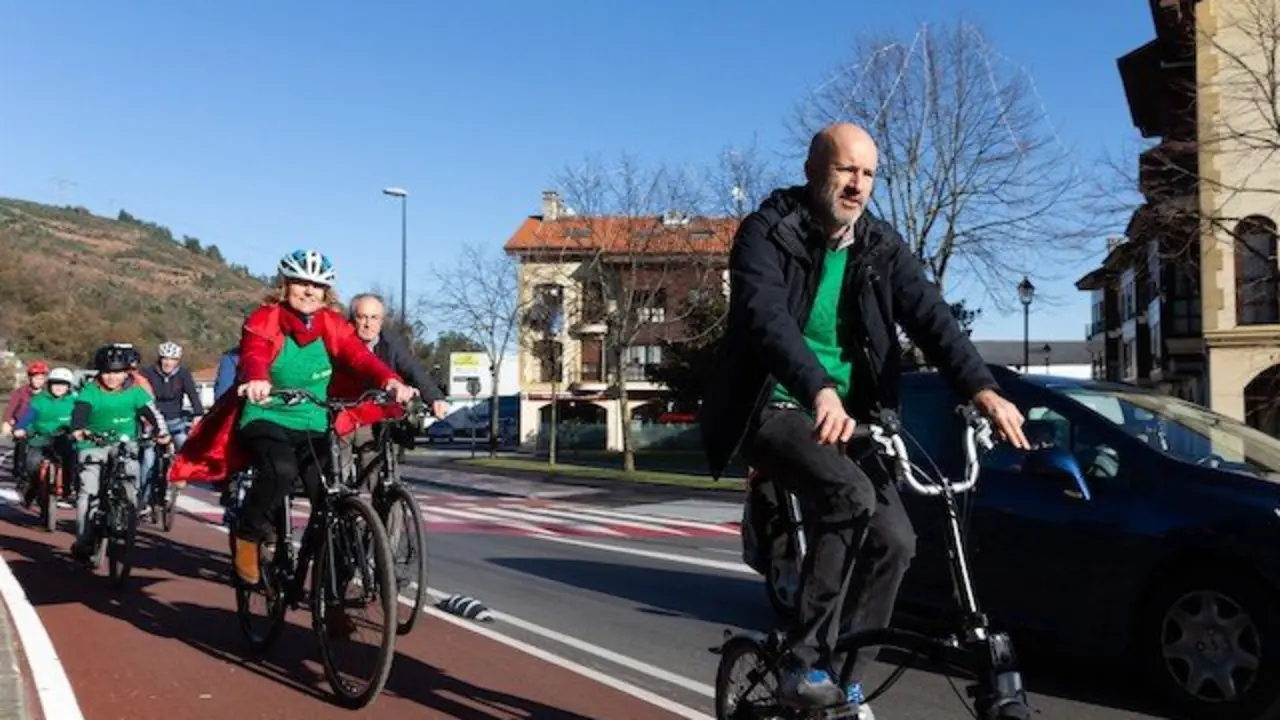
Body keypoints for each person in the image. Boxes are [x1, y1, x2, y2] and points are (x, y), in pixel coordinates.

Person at [700, 123, 1029, 712]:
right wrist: (817, 387)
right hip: (773, 405)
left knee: (897, 540)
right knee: (849, 496)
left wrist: (983, 388)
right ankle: (801, 665)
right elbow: (765, 317)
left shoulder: (879, 246)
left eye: (868, 174)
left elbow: (933, 318)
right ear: (812, 170)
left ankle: (845, 679)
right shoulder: (766, 232)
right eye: (845, 169)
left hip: (851, 419)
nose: (857, 185)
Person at [171, 249, 415, 587]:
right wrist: (256, 378)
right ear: (285, 285)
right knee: (281, 470)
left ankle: (332, 594)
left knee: (332, 500)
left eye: (317, 285)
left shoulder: (331, 324)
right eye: (301, 282)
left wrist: (388, 379)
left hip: (313, 422)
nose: (309, 291)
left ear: (326, 292)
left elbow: (358, 356)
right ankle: (249, 534)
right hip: (267, 414)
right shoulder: (265, 318)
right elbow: (255, 352)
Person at [331, 292, 449, 481]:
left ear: (382, 320)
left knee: (382, 471)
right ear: (352, 319)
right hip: (342, 415)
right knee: (338, 475)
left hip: (374, 418)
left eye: (374, 318)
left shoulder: (390, 343)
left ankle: (386, 501)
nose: (368, 324)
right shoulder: (340, 340)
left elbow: (413, 370)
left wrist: (435, 398)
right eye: (362, 317)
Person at [69, 345, 170, 564]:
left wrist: (162, 433)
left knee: (131, 471)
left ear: (126, 372)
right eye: (106, 372)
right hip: (92, 443)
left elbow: (153, 414)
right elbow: (80, 413)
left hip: (125, 443)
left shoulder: (135, 391)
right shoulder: (90, 390)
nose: (112, 377)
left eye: (117, 372)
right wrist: (78, 429)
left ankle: (127, 511)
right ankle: (84, 539)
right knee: (89, 490)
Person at [137, 342, 204, 509]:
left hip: (175, 420)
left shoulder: (183, 374)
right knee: (148, 460)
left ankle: (179, 477)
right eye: (165, 359)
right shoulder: (147, 373)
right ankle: (143, 500)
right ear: (160, 359)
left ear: (178, 360)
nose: (168, 363)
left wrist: (198, 414)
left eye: (172, 359)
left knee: (185, 446)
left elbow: (193, 395)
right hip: (152, 422)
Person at [12, 367, 78, 505]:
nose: (59, 388)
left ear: (68, 386)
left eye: (63, 384)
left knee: (72, 460)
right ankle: (32, 488)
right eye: (56, 383)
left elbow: (83, 418)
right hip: (40, 438)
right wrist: (20, 428)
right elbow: (28, 417)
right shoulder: (39, 400)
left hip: (63, 439)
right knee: (32, 464)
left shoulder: (74, 401)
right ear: (49, 384)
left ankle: (66, 488)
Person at [2, 360, 49, 490]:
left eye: (41, 378)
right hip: (22, 427)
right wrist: (7, 422)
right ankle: (20, 471)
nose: (38, 381)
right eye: (36, 378)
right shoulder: (21, 392)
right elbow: (11, 408)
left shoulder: (48, 394)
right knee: (21, 445)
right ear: (30, 378)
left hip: (42, 427)